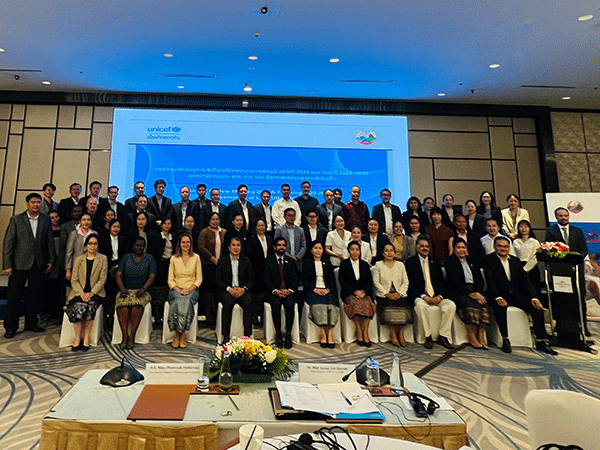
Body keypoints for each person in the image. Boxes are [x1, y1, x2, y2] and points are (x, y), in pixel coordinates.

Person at [484, 236, 557, 355]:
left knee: (537, 307)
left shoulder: (515, 260)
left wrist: (534, 297)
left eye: (506, 246)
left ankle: (540, 341)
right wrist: (498, 297)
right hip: (497, 295)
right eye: (500, 246)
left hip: (515, 295)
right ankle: (505, 339)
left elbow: (526, 280)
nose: (503, 249)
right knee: (500, 307)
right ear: (494, 247)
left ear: (509, 248)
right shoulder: (488, 260)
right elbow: (490, 281)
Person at [3, 193, 56, 338]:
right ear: (27, 204)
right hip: (18, 264)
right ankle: (10, 327)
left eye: (38, 202)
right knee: (14, 297)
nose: (36, 205)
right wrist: (7, 264)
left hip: (38, 263)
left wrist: (51, 259)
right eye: (33, 202)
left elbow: (49, 241)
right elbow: (8, 243)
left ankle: (31, 323)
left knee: (34, 296)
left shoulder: (45, 219)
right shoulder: (16, 219)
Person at [545, 206, 590, 335]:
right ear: (556, 217)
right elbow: (549, 250)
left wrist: (575, 263)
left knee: (579, 299)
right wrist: (564, 266)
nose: (563, 218)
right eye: (561, 216)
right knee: (561, 299)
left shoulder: (577, 231)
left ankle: (583, 326)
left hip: (576, 271)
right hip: (560, 272)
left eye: (566, 215)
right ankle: (561, 325)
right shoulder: (551, 231)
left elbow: (584, 250)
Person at [405, 235, 455, 349]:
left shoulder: (435, 261)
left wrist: (440, 296)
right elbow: (411, 283)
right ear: (417, 247)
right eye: (422, 246)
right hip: (420, 295)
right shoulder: (410, 262)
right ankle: (428, 336)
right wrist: (423, 296)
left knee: (451, 305)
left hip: (436, 295)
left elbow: (441, 282)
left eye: (427, 246)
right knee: (420, 306)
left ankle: (443, 335)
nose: (425, 248)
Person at [445, 238, 490, 349]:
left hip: (475, 290)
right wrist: (470, 293)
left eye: (463, 247)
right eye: (459, 247)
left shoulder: (472, 261)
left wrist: (479, 293)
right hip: (458, 291)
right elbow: (454, 281)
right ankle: (471, 335)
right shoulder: (450, 262)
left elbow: (479, 279)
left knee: (484, 305)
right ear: (454, 249)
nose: (461, 250)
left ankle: (481, 335)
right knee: (469, 305)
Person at [65, 234, 107, 351]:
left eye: (95, 244)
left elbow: (102, 279)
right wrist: (82, 293)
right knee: (79, 306)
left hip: (96, 293)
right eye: (90, 244)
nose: (93, 246)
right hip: (79, 292)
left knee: (90, 306)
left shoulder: (103, 259)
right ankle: (77, 337)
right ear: (86, 245)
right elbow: (74, 280)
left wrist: (91, 293)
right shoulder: (79, 259)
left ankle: (87, 337)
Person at [115, 236, 156, 349]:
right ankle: (124, 336)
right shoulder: (126, 257)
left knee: (136, 306)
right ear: (133, 246)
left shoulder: (150, 258)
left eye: (142, 246)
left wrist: (143, 289)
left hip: (142, 291)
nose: (139, 247)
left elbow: (152, 276)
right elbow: (118, 275)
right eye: (137, 245)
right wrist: (122, 289)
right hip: (125, 290)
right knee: (122, 306)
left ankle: (132, 336)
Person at [216, 237, 254, 344]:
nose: (236, 248)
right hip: (228, 290)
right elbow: (217, 280)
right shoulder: (222, 261)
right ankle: (226, 336)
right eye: (233, 245)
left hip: (242, 290)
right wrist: (229, 289)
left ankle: (247, 335)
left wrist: (244, 289)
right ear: (229, 247)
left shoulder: (246, 261)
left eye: (238, 245)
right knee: (228, 303)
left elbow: (251, 280)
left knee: (248, 302)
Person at [167, 234, 202, 348]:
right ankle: (177, 333)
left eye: (188, 242)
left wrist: (189, 289)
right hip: (176, 289)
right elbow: (170, 279)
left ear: (191, 244)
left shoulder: (196, 258)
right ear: (179, 244)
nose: (185, 244)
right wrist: (178, 289)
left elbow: (199, 279)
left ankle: (182, 334)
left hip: (192, 289)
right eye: (183, 242)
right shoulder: (174, 258)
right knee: (177, 301)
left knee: (186, 301)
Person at [338, 241, 376, 347]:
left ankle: (365, 333)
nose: (355, 252)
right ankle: (359, 331)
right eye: (352, 249)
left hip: (364, 293)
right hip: (349, 293)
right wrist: (355, 292)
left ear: (360, 251)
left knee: (367, 303)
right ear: (348, 251)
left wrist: (363, 292)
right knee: (355, 303)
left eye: (357, 249)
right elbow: (342, 281)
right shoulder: (344, 264)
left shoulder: (364, 264)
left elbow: (369, 282)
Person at [264, 237, 299, 348]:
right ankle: (278, 334)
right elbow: (266, 280)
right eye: (279, 245)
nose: (281, 247)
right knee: (276, 304)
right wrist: (275, 291)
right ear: (275, 247)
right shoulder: (268, 261)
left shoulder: (291, 261)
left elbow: (295, 279)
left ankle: (288, 334)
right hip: (274, 292)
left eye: (283, 245)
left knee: (290, 304)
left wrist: (289, 290)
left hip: (288, 292)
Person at [302, 242, 339, 348]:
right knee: (319, 305)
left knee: (332, 304)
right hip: (313, 291)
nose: (318, 250)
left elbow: (332, 281)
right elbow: (304, 280)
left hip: (327, 290)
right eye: (315, 248)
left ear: (323, 250)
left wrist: (328, 290)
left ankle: (330, 334)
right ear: (311, 250)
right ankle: (323, 333)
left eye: (320, 248)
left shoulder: (327, 262)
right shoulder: (307, 262)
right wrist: (314, 289)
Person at [373, 243, 410, 347]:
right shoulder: (378, 265)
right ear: (382, 253)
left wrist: (400, 293)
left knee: (403, 305)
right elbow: (376, 282)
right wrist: (387, 293)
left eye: (391, 250)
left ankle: (401, 334)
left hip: (399, 293)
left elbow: (405, 282)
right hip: (384, 294)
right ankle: (393, 333)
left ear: (394, 252)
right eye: (386, 250)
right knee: (388, 305)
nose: (389, 253)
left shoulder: (400, 265)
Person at [198, 212, 227, 327]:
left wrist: (221, 261)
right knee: (207, 291)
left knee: (217, 290)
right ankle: (208, 316)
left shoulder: (224, 232)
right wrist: (212, 258)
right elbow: (201, 247)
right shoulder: (204, 232)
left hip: (221, 266)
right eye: (213, 219)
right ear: (209, 220)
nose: (215, 221)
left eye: (217, 219)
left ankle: (216, 316)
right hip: (208, 265)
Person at [148, 218, 176, 325]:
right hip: (159, 264)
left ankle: (166, 313)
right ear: (161, 225)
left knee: (168, 288)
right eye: (165, 223)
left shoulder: (174, 237)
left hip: (171, 264)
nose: (167, 225)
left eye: (169, 223)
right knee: (158, 289)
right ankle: (157, 314)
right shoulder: (156, 237)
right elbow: (152, 252)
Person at [97, 218, 125, 326]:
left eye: (118, 227)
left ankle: (113, 315)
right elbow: (102, 254)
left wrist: (118, 267)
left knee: (116, 292)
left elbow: (124, 255)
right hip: (107, 267)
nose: (116, 229)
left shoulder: (123, 239)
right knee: (107, 292)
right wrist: (109, 268)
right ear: (109, 227)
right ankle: (105, 315)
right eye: (114, 227)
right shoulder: (103, 239)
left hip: (119, 267)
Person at [246, 218, 273, 325]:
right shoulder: (252, 239)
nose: (261, 228)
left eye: (263, 225)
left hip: (267, 270)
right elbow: (250, 255)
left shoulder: (269, 239)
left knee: (265, 294)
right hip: (256, 270)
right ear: (255, 227)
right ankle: (254, 316)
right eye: (259, 225)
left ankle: (263, 316)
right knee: (255, 294)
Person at [513, 220, 541, 298]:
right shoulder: (515, 242)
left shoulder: (534, 242)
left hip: (532, 267)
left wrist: (526, 269)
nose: (523, 229)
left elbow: (535, 257)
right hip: (519, 267)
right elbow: (514, 255)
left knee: (534, 289)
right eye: (521, 226)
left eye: (526, 226)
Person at [66, 213, 98, 280]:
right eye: (84, 220)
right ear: (79, 222)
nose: (86, 222)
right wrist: (68, 270)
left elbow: (97, 250)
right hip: (77, 265)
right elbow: (69, 253)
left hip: (92, 264)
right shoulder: (74, 234)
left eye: (88, 220)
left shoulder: (94, 233)